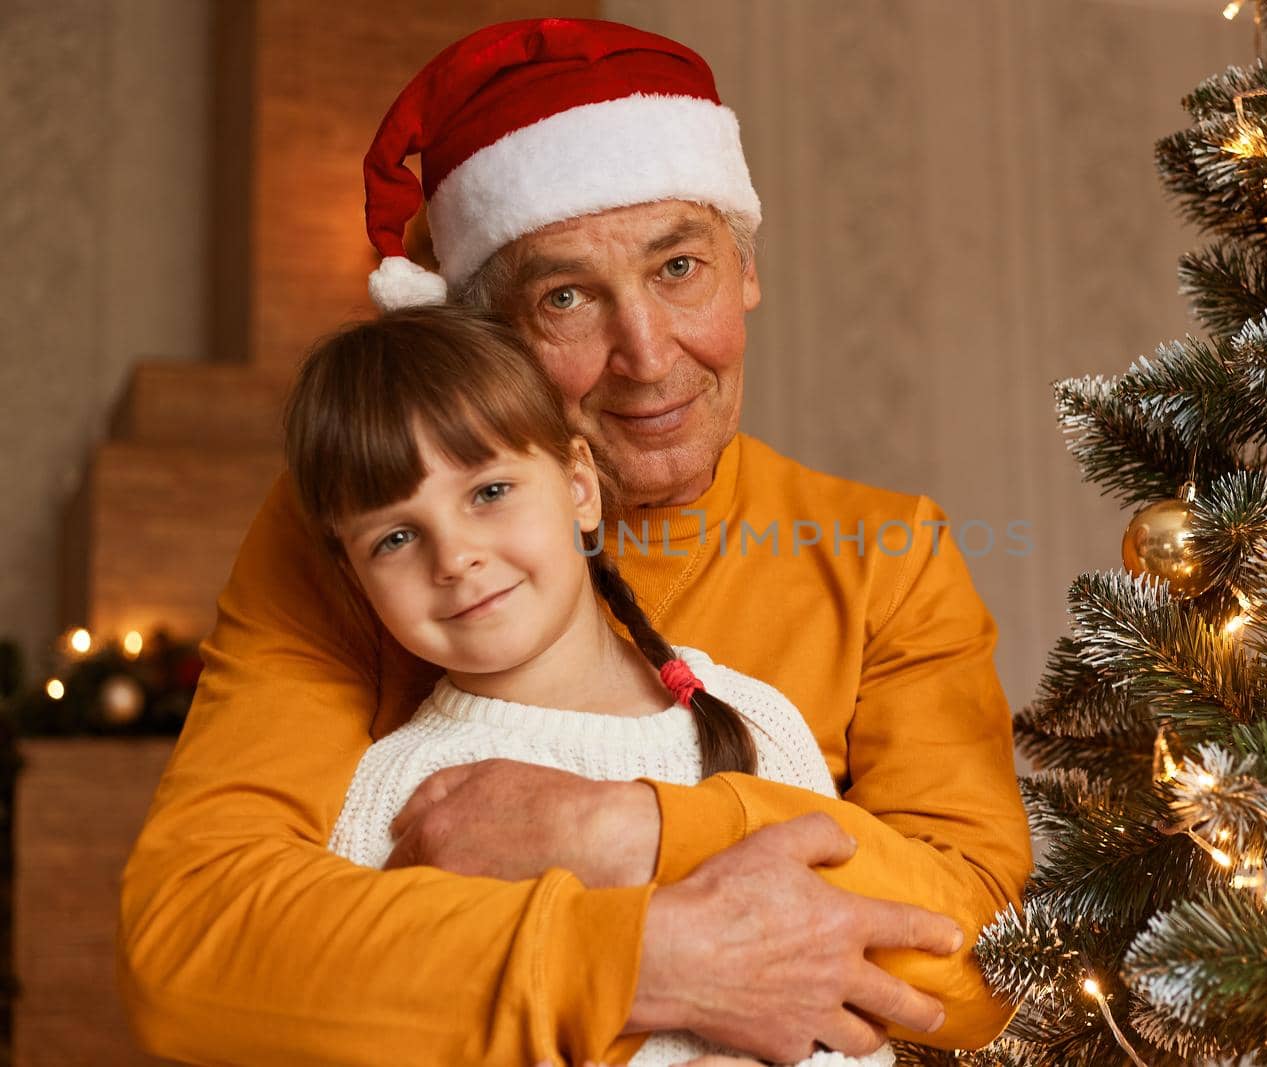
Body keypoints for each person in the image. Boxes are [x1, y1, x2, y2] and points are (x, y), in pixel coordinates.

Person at [119, 17, 1032, 1067]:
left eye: (679, 267)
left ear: (744, 272)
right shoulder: (368, 537)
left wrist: (626, 833)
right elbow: (193, 945)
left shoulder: (882, 554)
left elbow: (994, 958)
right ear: (487, 339)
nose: (646, 354)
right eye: (565, 297)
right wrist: (639, 961)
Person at [287, 304, 892, 1067]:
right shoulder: (395, 794)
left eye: (489, 492)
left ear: (578, 485)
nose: (455, 556)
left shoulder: (750, 720)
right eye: (396, 537)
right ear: (354, 574)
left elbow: (854, 1002)